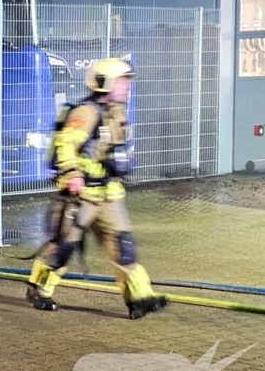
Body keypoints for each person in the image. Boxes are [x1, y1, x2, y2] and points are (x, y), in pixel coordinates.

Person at [27, 58, 168, 320]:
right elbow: (66, 144)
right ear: (105, 82)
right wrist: (71, 173)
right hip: (81, 197)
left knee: (123, 248)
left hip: (109, 194)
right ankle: (39, 290)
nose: (127, 86)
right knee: (62, 248)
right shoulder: (86, 112)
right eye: (123, 81)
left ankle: (139, 299)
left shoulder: (116, 111)